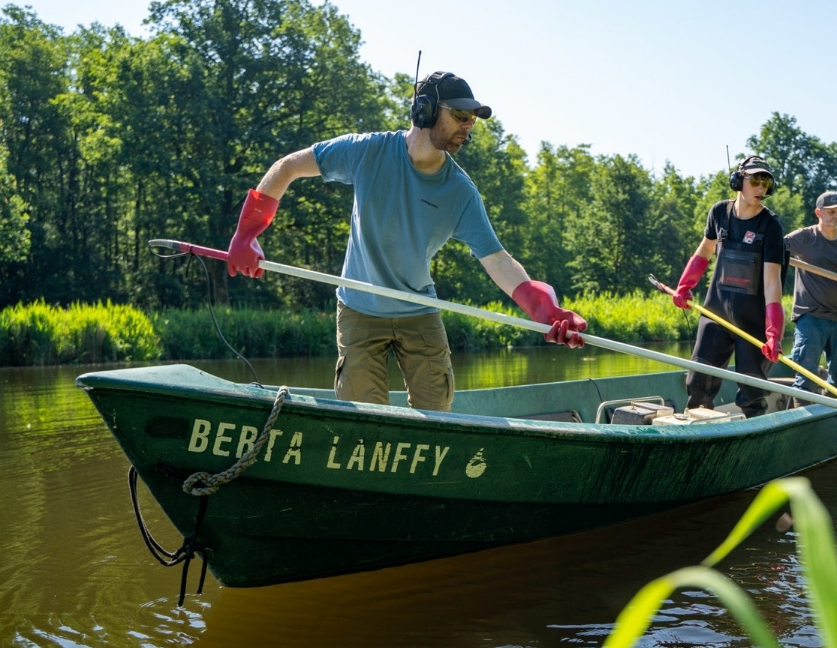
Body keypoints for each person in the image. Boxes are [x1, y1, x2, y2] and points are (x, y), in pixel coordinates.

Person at [225, 70, 586, 411]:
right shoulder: (366, 152)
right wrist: (246, 235)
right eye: (461, 115)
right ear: (424, 110)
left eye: (473, 119)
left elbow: (498, 260)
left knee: (438, 412)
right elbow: (287, 167)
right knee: (363, 416)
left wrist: (544, 310)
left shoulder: (460, 192)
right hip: (359, 308)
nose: (468, 127)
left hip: (418, 311)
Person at [669, 155, 786, 417]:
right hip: (715, 314)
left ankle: (755, 431)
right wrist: (684, 286)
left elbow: (772, 282)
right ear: (738, 181)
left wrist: (773, 333)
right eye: (755, 180)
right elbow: (704, 252)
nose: (760, 188)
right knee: (698, 382)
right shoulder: (719, 212)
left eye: (766, 183)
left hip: (753, 323)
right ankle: (699, 429)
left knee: (751, 390)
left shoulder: (770, 226)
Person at [783, 190, 837, 394]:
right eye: (831, 212)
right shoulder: (804, 237)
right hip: (810, 316)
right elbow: (772, 249)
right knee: (806, 377)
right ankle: (803, 416)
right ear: (818, 213)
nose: (836, 216)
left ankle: (833, 420)